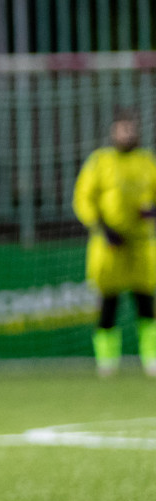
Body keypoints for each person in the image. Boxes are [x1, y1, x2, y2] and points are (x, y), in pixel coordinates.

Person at [72, 109, 156, 377]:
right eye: (122, 129)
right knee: (109, 302)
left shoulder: (147, 161)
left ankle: (151, 358)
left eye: (130, 129)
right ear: (113, 132)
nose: (126, 134)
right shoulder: (100, 161)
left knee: (146, 302)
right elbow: (82, 198)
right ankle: (107, 361)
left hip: (141, 244)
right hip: (109, 244)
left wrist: (151, 212)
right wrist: (102, 227)